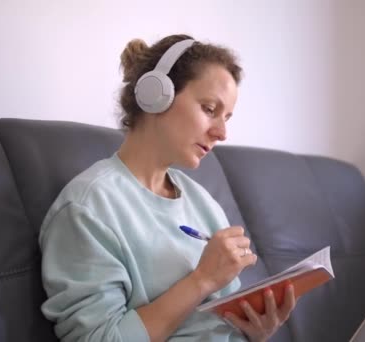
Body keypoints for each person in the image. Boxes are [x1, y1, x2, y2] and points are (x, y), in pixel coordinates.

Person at [39, 34, 296, 342]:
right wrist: (201, 280)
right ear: (155, 95)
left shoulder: (204, 204)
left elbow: (222, 325)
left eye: (227, 118)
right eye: (209, 109)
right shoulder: (87, 208)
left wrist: (255, 331)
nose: (222, 133)